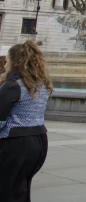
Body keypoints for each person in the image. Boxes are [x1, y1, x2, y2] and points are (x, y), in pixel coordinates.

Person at [0, 41, 52, 202]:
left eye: (7, 60)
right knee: (21, 188)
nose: (5, 64)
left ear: (15, 61)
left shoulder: (12, 86)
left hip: (15, 143)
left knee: (6, 190)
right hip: (39, 142)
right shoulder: (41, 85)